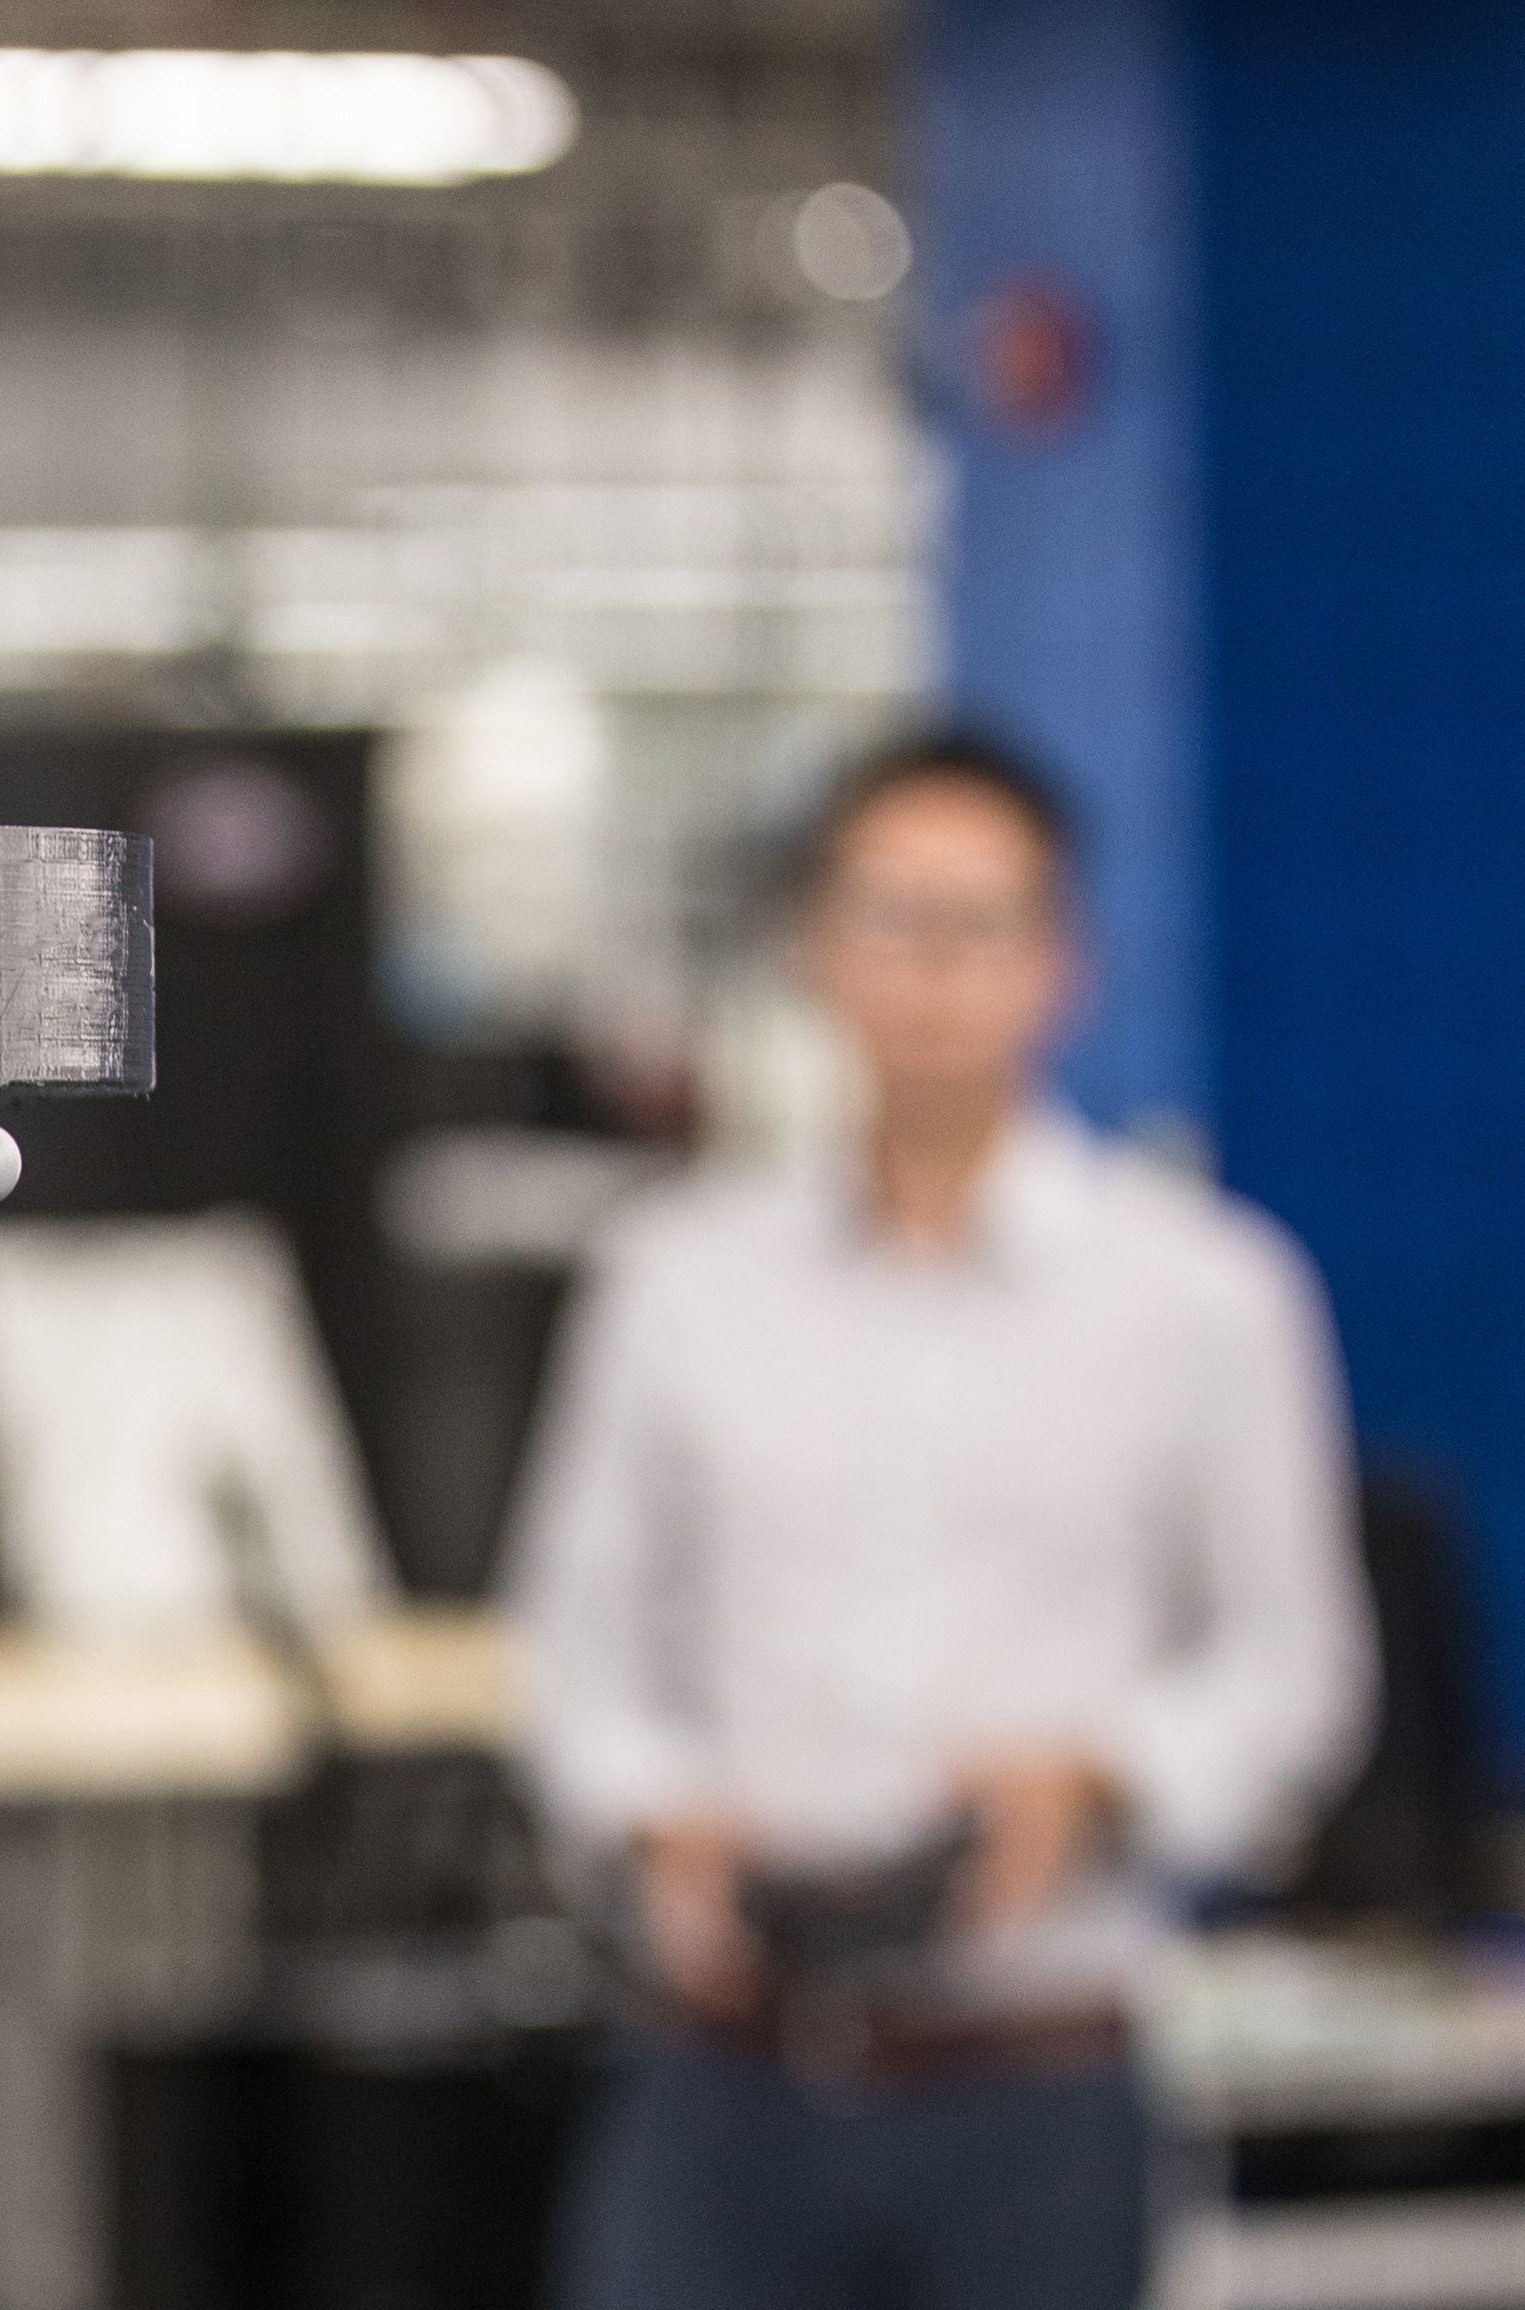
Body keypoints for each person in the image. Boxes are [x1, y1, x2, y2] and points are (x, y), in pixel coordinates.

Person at [508, 729, 1373, 2310]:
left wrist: (1097, 1781)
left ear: (1064, 963)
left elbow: (1291, 1667)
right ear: (812, 946)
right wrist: (657, 1812)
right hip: (722, 2081)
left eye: (979, 925)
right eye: (890, 917)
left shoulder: (1205, 1295)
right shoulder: (672, 1280)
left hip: (1032, 2087)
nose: (931, 973)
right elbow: (574, 1645)